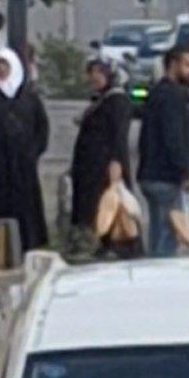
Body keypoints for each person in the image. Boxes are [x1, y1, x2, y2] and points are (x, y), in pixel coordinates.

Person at [70, 58, 138, 258]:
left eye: (100, 72)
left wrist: (116, 162)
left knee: (108, 206)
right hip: (91, 165)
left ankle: (117, 245)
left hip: (105, 165)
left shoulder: (117, 101)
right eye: (92, 72)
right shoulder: (102, 98)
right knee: (97, 206)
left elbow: (118, 134)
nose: (95, 77)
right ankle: (102, 244)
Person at [138, 47, 189, 258]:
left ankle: (154, 269)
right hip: (165, 175)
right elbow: (174, 138)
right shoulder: (173, 97)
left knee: (158, 230)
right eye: (188, 65)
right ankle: (159, 278)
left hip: (151, 173)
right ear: (173, 65)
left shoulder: (158, 92)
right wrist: (184, 171)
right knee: (167, 235)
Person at [0, 48, 48, 250]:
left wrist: (33, 152)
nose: (0, 69)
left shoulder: (28, 98)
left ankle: (28, 245)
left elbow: (41, 128)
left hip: (24, 168)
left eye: (4, 65)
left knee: (26, 210)